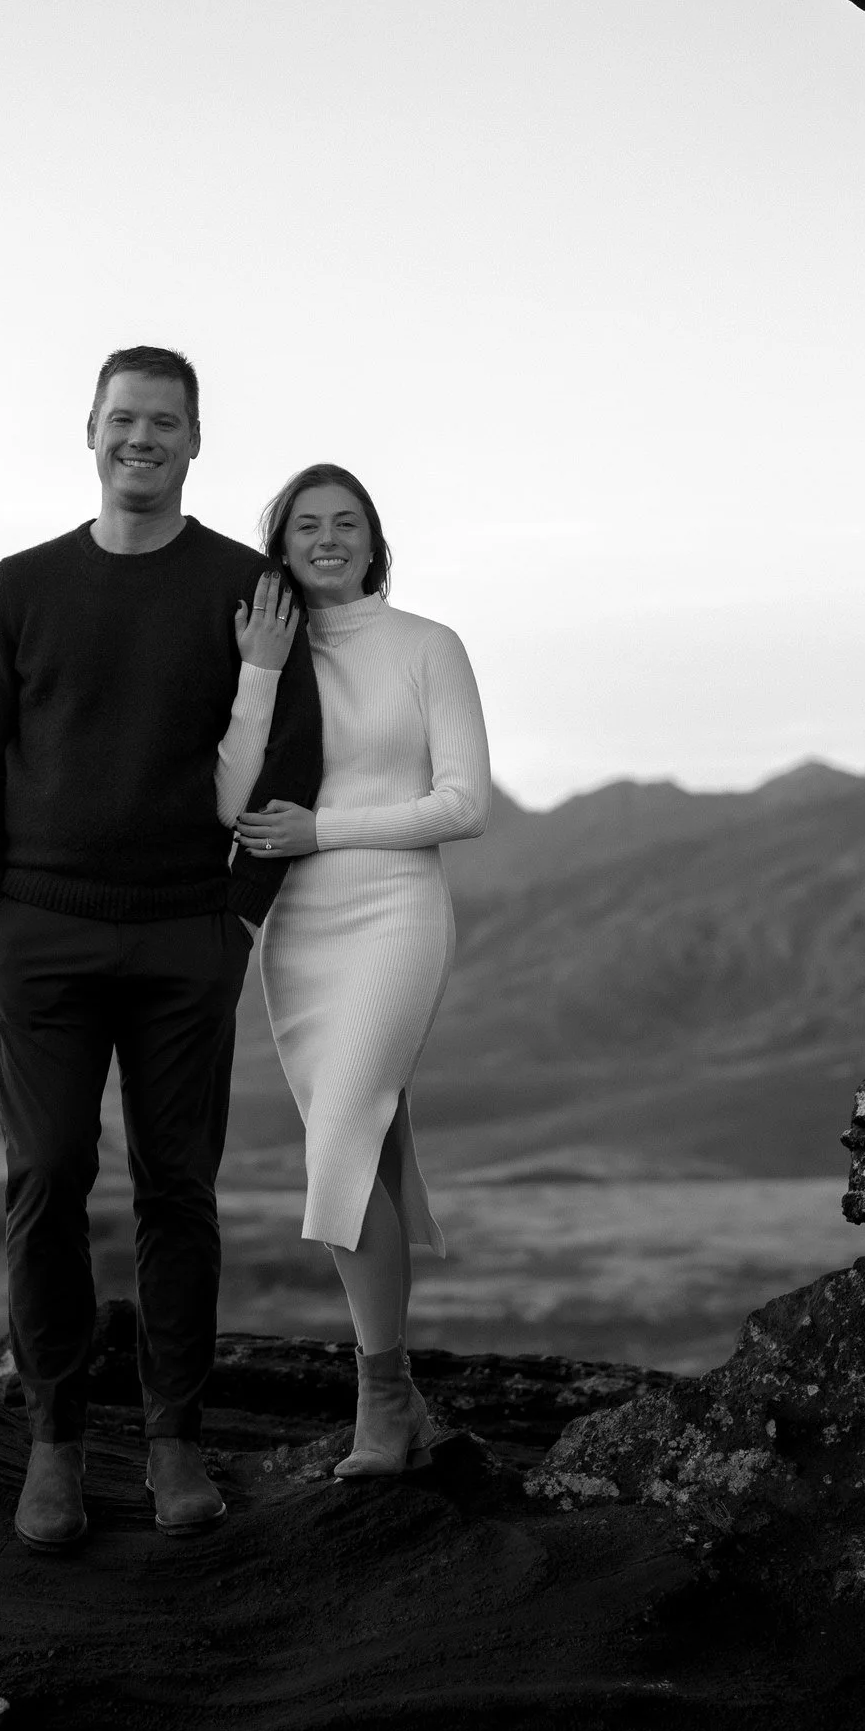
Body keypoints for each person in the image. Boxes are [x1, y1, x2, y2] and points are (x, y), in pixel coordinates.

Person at [0, 348, 323, 1551]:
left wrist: (241, 915)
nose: (141, 438)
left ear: (196, 440)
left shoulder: (244, 588)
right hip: (41, 932)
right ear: (91, 433)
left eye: (165, 421)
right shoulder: (18, 588)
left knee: (177, 1188)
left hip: (182, 933)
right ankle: (55, 1441)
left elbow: (294, 763)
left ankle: (172, 1438)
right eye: (123, 419)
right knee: (48, 1173)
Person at [224, 464, 490, 1476]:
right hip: (296, 928)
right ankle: (402, 1395)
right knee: (364, 1143)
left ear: (374, 540)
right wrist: (254, 672)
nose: (327, 537)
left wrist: (321, 827)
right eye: (306, 525)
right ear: (281, 544)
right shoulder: (267, 655)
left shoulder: (428, 646)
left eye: (347, 523)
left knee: (337, 1145)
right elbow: (230, 793)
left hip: (394, 911)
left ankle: (379, 1400)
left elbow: (464, 801)